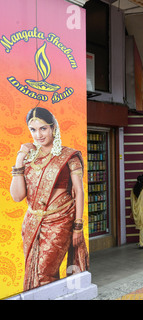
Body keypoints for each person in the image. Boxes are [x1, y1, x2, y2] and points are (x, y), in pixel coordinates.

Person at [10, 106, 88, 291]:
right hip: (32, 223)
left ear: (53, 128)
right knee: (34, 270)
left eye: (43, 128)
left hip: (60, 221)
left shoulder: (68, 156)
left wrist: (78, 226)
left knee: (45, 273)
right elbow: (17, 196)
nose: (38, 135)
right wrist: (20, 158)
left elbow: (79, 191)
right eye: (33, 130)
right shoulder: (29, 158)